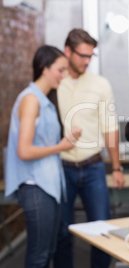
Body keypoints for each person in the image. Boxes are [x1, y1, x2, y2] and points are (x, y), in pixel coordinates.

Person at [53, 29, 125, 268]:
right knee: (62, 232)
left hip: (93, 167)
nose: (86, 61)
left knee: (102, 230)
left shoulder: (100, 84)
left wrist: (116, 167)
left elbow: (110, 126)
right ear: (67, 52)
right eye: (82, 55)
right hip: (60, 168)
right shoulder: (54, 82)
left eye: (90, 56)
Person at [5, 45, 81, 268]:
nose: (64, 75)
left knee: (48, 251)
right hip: (36, 187)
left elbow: (41, 143)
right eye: (60, 70)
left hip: (48, 185)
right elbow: (24, 151)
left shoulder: (45, 100)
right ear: (43, 68)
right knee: (39, 255)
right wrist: (61, 146)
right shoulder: (31, 100)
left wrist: (65, 141)